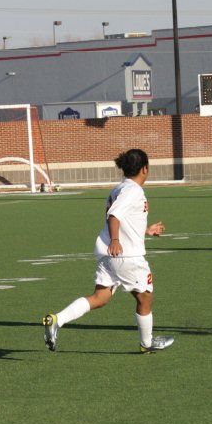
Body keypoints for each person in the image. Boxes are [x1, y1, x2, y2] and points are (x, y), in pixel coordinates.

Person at [42, 149, 174, 353]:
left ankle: (57, 320)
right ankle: (147, 344)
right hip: (126, 255)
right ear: (145, 169)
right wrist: (115, 240)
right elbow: (114, 216)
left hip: (109, 255)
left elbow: (126, 218)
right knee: (145, 297)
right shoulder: (133, 191)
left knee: (100, 297)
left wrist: (146, 230)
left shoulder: (120, 188)